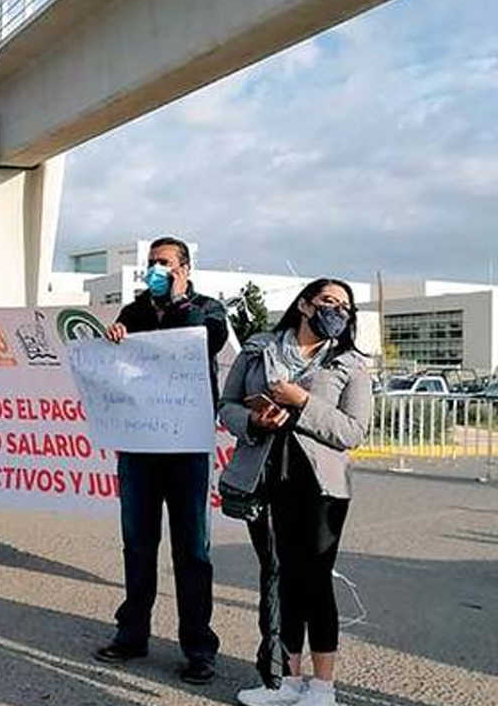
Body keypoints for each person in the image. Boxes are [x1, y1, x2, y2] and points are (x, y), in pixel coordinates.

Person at [218, 279, 371, 706]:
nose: (337, 310)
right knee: (283, 578)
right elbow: (226, 406)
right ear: (304, 304)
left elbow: (353, 431)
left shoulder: (351, 364)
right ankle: (288, 683)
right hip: (267, 478)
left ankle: (323, 689)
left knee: (314, 581)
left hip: (322, 487)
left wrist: (301, 400)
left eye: (345, 305)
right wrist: (254, 421)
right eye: (328, 301)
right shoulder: (257, 349)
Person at [94, 237, 228, 686]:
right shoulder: (133, 312)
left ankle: (198, 648)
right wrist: (113, 338)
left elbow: (202, 343)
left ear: (185, 268)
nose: (154, 269)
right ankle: (132, 635)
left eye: (164, 263)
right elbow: (115, 362)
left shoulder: (208, 310)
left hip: (186, 450)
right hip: (138, 449)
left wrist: (178, 299)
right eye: (151, 263)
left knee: (192, 551)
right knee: (137, 544)